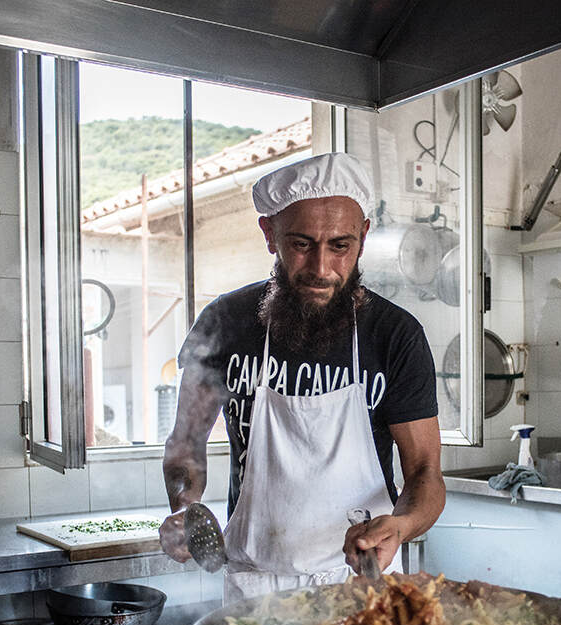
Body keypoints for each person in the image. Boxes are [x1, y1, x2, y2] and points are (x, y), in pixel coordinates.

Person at [158, 152, 446, 601]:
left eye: (340, 246)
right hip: (255, 585)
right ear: (270, 234)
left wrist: (402, 525)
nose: (321, 268)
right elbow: (185, 444)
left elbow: (425, 473)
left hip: (361, 583)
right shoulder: (225, 322)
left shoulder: (395, 335)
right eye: (301, 244)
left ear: (363, 238)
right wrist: (185, 507)